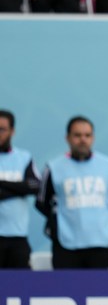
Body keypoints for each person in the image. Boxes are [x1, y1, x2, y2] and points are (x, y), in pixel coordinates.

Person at [36, 116, 108, 269]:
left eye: (87, 135)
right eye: (77, 135)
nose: (83, 140)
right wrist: (57, 224)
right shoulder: (53, 167)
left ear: (93, 138)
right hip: (66, 244)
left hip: (100, 243)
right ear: (67, 138)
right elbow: (41, 202)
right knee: (66, 285)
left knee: (99, 285)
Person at [0, 110, 40, 269]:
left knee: (20, 282)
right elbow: (25, 187)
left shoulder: (23, 157)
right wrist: (19, 188)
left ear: (12, 131)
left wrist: (2, 183)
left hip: (17, 237)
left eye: (2, 129)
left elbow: (35, 186)